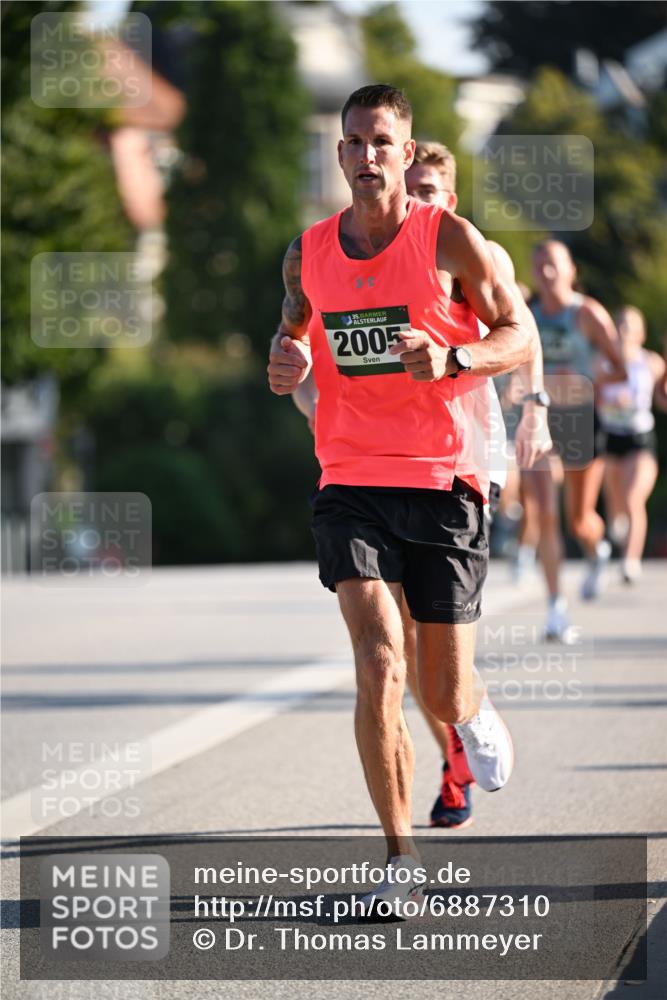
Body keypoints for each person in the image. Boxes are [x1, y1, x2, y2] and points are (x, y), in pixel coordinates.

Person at [268, 85, 534, 917]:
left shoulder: (447, 238)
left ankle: (473, 708)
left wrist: (452, 359)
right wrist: (282, 360)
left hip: (441, 481)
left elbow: (516, 334)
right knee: (380, 661)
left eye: (381, 140)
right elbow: (293, 331)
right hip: (349, 478)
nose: (366, 155)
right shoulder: (305, 252)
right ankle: (399, 856)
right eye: (353, 141)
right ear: (340, 153)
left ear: (406, 148)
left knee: (441, 688)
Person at [524, 241, 626, 641]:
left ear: (570, 269)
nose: (545, 269)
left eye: (552, 262)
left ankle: (597, 548)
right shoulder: (527, 314)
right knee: (545, 512)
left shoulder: (586, 314)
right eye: (538, 262)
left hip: (582, 420)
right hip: (539, 420)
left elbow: (620, 368)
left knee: (580, 519)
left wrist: (589, 382)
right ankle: (555, 608)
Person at [598, 306, 665, 582]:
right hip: (611, 438)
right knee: (616, 503)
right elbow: (592, 394)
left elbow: (662, 400)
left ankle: (630, 560)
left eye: (630, 326)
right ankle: (618, 527)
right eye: (620, 324)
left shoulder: (652, 362)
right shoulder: (602, 361)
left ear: (641, 333)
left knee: (633, 498)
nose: (624, 330)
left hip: (641, 438)